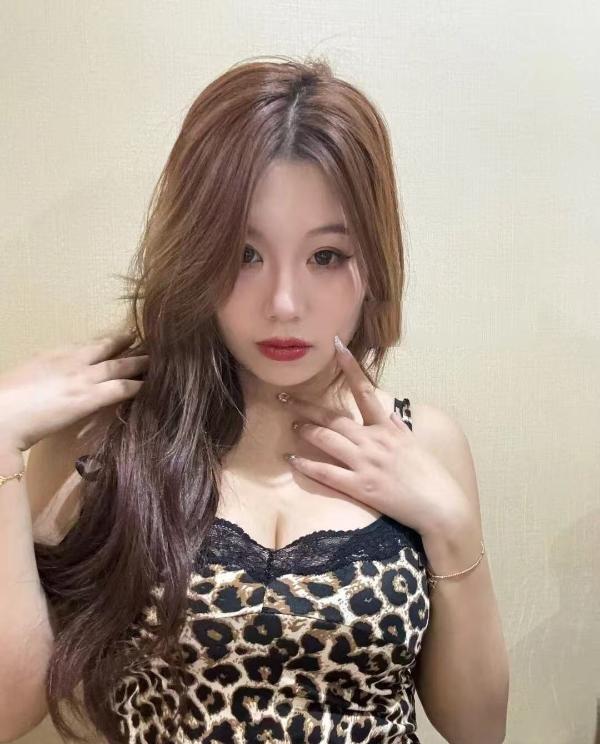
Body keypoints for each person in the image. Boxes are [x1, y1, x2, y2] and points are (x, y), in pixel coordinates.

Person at [0, 55, 509, 743]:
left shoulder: (425, 443)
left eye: (326, 256)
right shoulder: (104, 440)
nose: (284, 304)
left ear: (373, 265)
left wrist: (450, 526)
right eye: (245, 254)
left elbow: (478, 728)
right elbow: (10, 709)